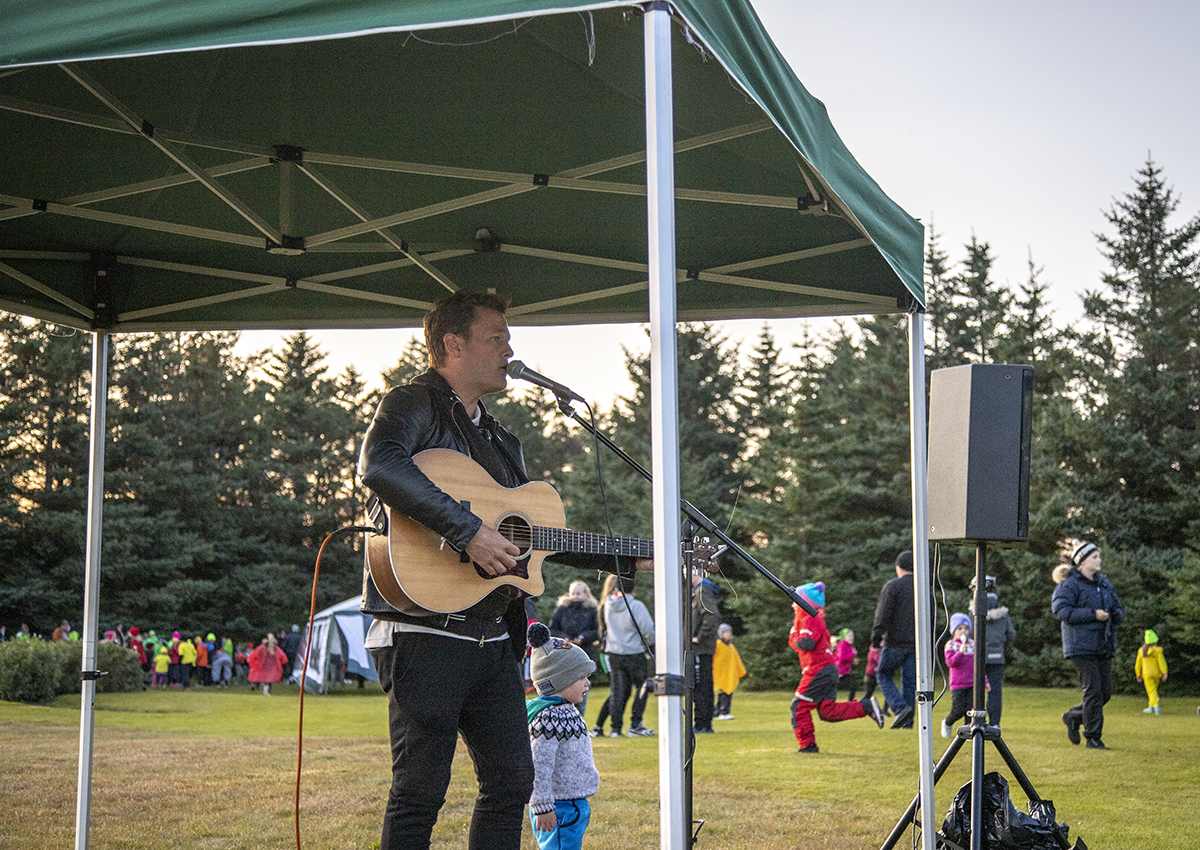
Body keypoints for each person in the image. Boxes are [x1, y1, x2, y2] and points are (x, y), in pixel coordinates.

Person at [357, 290, 650, 850]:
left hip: (493, 637)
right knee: (421, 790)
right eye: (497, 337)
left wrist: (628, 556)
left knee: (513, 780)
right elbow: (380, 464)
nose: (510, 349)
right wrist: (467, 530)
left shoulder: (500, 439)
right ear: (452, 344)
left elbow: (533, 539)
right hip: (422, 628)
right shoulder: (412, 403)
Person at [525, 623, 600, 850]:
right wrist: (543, 806)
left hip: (572, 805)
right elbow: (539, 766)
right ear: (559, 681)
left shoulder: (565, 711)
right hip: (559, 807)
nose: (588, 682)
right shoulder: (549, 718)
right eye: (581, 677)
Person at [788, 582, 885, 753]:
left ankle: (808, 745)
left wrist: (792, 635)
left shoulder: (807, 616)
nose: (792, 603)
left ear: (804, 602)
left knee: (798, 707)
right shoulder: (813, 617)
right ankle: (865, 706)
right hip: (828, 669)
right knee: (827, 712)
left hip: (817, 670)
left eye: (796, 599)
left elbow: (806, 643)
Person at [1052, 540, 1124, 750]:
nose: (1099, 560)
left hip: (1103, 645)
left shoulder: (1104, 584)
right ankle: (1093, 738)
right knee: (1093, 691)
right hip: (1080, 646)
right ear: (1082, 561)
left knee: (1105, 693)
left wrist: (1116, 615)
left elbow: (1118, 609)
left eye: (1099, 556)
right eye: (1095, 557)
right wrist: (1094, 615)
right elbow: (1062, 612)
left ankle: (1073, 717)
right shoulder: (1069, 585)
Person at [595, 572, 656, 738]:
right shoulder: (635, 606)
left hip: (614, 653)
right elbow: (648, 629)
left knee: (618, 692)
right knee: (642, 688)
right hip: (634, 652)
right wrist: (650, 643)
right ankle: (635, 724)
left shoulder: (607, 605)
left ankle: (615, 728)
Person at [871, 550, 918, 729]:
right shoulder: (923, 587)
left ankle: (900, 708)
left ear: (899, 567)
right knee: (910, 682)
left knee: (883, 674)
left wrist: (876, 638)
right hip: (916, 644)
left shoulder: (893, 587)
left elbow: (882, 615)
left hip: (895, 641)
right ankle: (908, 722)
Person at [549, 580, 601, 716]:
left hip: (585, 655)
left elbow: (597, 632)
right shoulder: (562, 609)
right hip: (565, 655)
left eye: (578, 594)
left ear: (585, 594)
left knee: (582, 694)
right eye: (573, 593)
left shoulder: (592, 610)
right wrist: (565, 638)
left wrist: (583, 638)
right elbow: (553, 629)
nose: (575, 596)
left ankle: (579, 722)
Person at [970, 589, 1016, 726]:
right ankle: (995, 722)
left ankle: (977, 720)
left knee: (976, 689)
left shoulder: (974, 611)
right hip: (997, 656)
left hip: (979, 657)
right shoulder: (1003, 614)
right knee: (995, 690)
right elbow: (1011, 634)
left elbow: (971, 633)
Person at [940, 613, 988, 738]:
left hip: (973, 683)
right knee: (958, 710)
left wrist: (985, 680)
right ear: (954, 630)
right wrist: (960, 653)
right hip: (958, 684)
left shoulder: (973, 644)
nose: (963, 632)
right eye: (960, 628)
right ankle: (947, 722)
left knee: (971, 710)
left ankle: (969, 733)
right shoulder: (951, 645)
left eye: (966, 629)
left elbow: (979, 665)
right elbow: (951, 663)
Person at [691, 571, 721, 734]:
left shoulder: (703, 590)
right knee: (702, 685)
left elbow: (711, 616)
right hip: (702, 648)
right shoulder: (699, 590)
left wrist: (699, 637)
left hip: (701, 649)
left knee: (701, 686)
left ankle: (702, 723)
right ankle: (703, 723)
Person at [712, 623, 747, 720]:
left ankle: (721, 711)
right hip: (720, 674)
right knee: (722, 694)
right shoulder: (718, 645)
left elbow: (736, 659)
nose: (728, 634)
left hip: (729, 674)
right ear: (721, 634)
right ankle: (722, 711)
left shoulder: (731, 647)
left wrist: (740, 670)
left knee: (727, 693)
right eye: (726, 632)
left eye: (729, 632)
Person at [1135, 629, 1167, 715]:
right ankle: (1151, 706)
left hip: (1146, 674)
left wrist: (1138, 674)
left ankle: (1155, 706)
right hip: (1156, 674)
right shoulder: (1157, 651)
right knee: (1154, 690)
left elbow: (1138, 664)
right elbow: (1161, 662)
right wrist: (1164, 672)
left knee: (1151, 690)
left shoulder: (1141, 651)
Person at [833, 628, 858, 701]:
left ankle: (850, 703)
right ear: (844, 637)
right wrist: (853, 654)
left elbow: (848, 657)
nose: (852, 638)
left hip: (845, 671)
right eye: (849, 636)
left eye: (852, 636)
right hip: (839, 671)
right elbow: (842, 657)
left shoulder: (850, 645)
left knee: (853, 687)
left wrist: (853, 660)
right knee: (832, 688)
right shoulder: (842, 644)